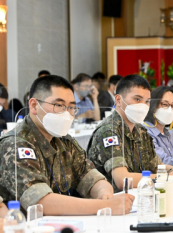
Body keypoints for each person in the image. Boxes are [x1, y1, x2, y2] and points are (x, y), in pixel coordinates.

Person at [0, 75, 134, 215]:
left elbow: (91, 177)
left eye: (71, 107)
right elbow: (41, 202)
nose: (67, 113)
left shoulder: (64, 141)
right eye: (59, 105)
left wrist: (104, 193)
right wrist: (103, 206)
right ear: (34, 106)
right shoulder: (15, 144)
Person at [87, 75, 173, 192]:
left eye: (147, 101)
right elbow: (123, 180)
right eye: (137, 99)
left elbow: (157, 166)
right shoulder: (109, 131)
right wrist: (165, 177)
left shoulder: (141, 130)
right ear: (118, 100)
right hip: (113, 203)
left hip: (140, 197)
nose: (143, 106)